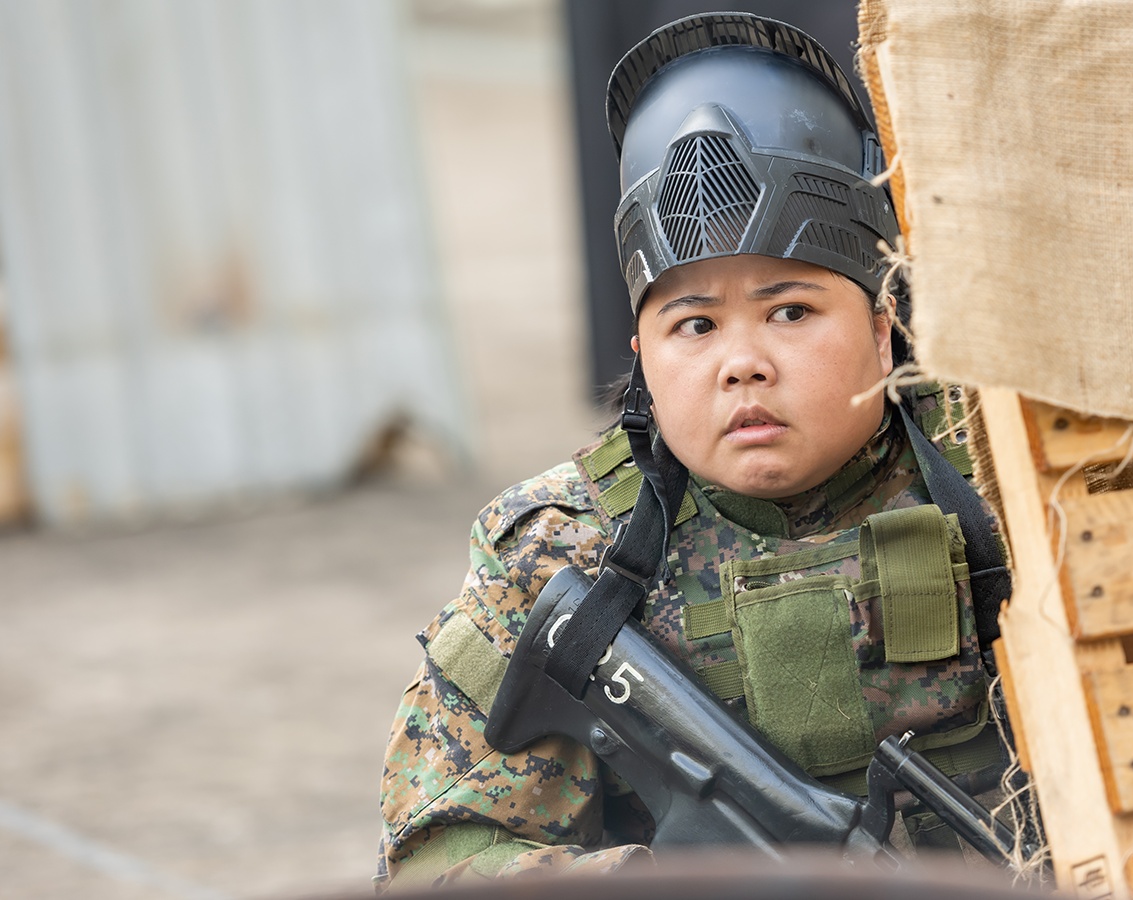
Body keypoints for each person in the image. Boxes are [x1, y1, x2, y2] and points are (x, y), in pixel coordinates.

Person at [376, 13, 1013, 891]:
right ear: (641, 356)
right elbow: (438, 856)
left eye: (790, 311)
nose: (742, 362)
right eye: (695, 325)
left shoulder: (1002, 480)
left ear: (883, 324)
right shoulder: (561, 549)